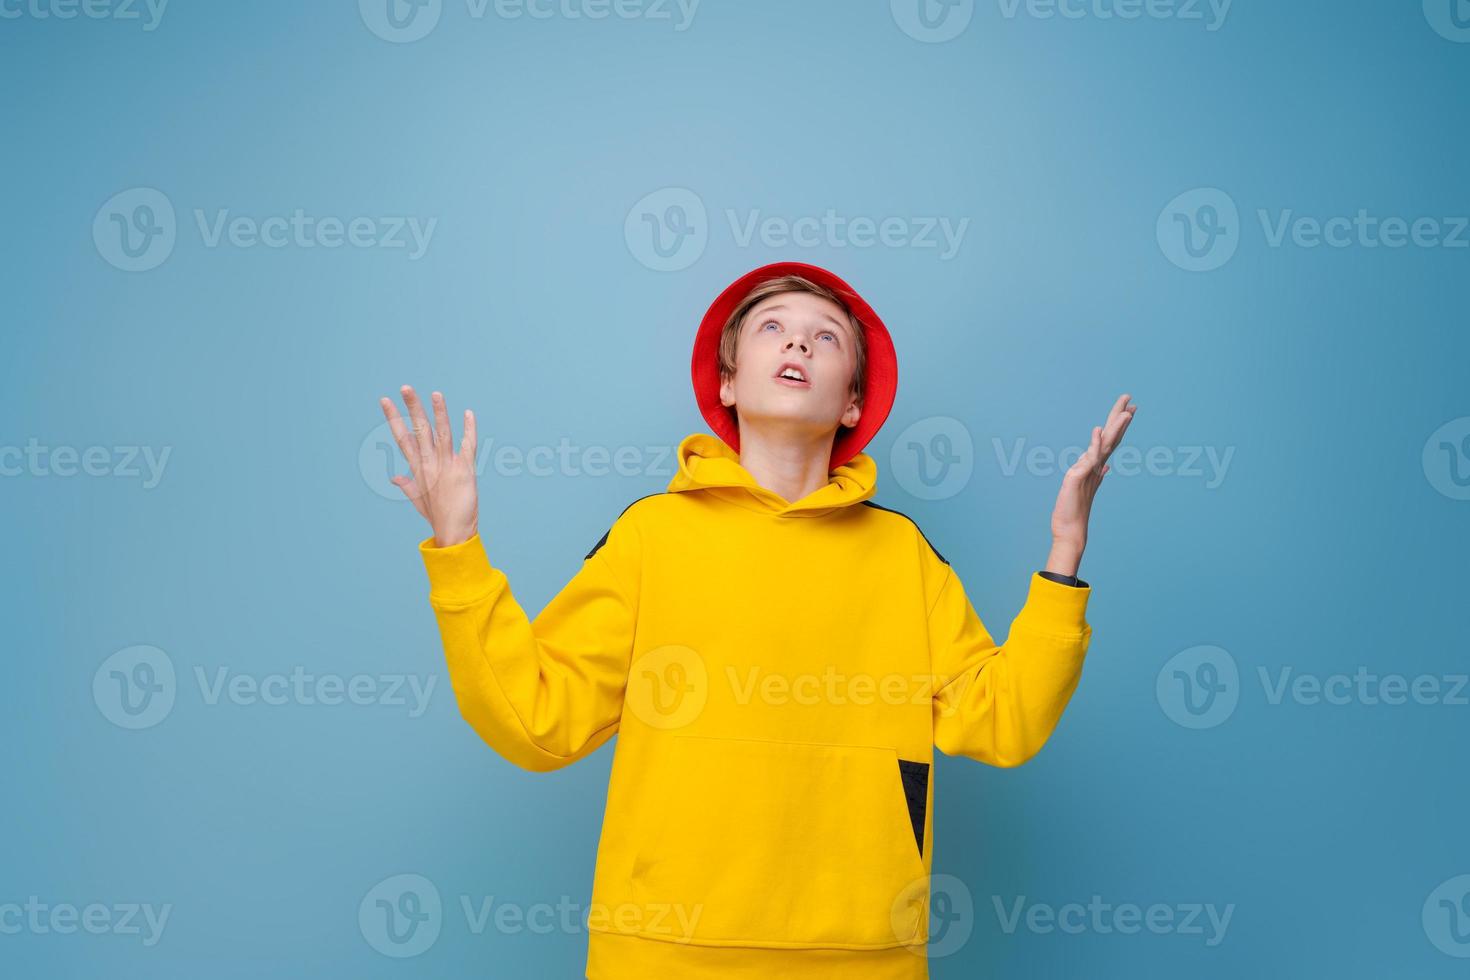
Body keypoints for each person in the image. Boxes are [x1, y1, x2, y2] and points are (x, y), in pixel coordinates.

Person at [378, 260, 1136, 979]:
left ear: (851, 403)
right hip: (665, 953)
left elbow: (1005, 719)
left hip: (862, 952)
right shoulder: (652, 535)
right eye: (772, 327)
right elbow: (535, 717)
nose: (800, 340)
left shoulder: (902, 554)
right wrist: (458, 549)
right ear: (730, 381)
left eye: (826, 335)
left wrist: (1065, 553)